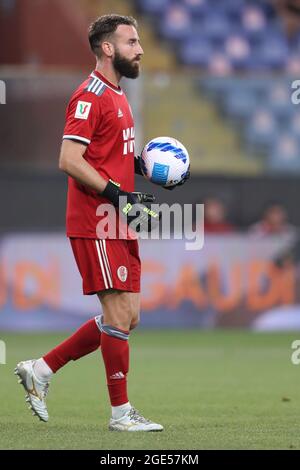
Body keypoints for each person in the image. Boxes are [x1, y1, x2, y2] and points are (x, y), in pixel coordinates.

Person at [14, 14, 189, 432]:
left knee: (128, 317)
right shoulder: (90, 95)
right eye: (131, 42)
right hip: (96, 220)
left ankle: (41, 368)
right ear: (107, 48)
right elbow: (69, 160)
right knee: (116, 314)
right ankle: (120, 414)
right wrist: (116, 194)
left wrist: (146, 169)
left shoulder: (119, 95)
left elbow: (107, 153)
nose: (140, 49)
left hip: (117, 220)